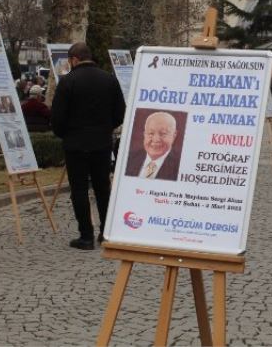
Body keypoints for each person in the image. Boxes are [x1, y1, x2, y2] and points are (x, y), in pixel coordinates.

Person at [51, 42, 126, 251]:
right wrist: (105, 128)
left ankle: (85, 235)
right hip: (102, 143)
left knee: (80, 189)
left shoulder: (68, 82)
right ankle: (106, 232)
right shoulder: (109, 80)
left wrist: (65, 134)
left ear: (74, 59)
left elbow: (57, 118)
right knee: (103, 188)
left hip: (75, 144)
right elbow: (120, 112)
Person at [124, 111, 181, 181]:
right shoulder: (129, 158)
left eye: (163, 133)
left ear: (174, 135)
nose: (156, 139)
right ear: (144, 134)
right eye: (151, 133)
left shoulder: (180, 165)